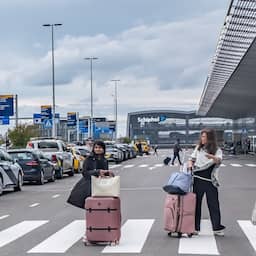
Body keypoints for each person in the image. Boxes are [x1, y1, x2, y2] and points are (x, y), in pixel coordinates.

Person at [188, 128, 225, 236]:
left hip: (210, 181)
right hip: (198, 179)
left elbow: (219, 160)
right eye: (202, 136)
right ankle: (195, 228)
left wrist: (212, 156)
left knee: (213, 204)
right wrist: (190, 164)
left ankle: (217, 227)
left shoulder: (217, 150)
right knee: (196, 204)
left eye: (204, 137)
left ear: (210, 138)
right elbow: (191, 158)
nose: (202, 139)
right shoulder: (198, 148)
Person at [67, 140, 113, 209]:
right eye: (96, 147)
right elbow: (85, 173)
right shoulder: (89, 159)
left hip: (100, 186)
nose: (98, 149)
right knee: (91, 207)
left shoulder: (104, 160)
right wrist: (97, 172)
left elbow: (104, 172)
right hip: (89, 185)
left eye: (100, 148)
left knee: (102, 206)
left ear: (103, 149)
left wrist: (108, 173)